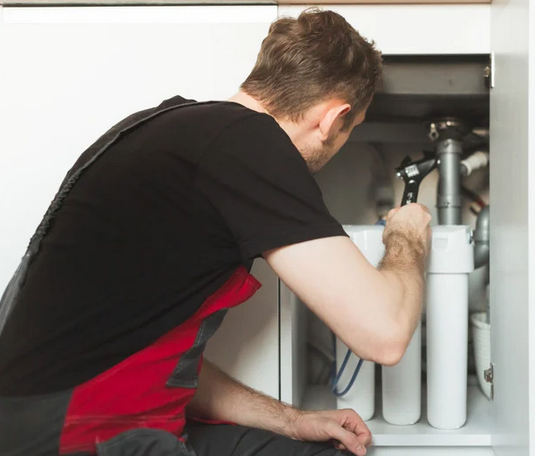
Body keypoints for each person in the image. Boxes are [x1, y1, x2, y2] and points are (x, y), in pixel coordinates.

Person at [0, 9, 431, 456]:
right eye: (349, 132)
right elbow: (385, 334)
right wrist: (408, 235)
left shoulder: (164, 128)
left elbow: (157, 361)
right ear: (332, 118)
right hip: (74, 436)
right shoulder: (248, 145)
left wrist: (293, 420)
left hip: (79, 420)